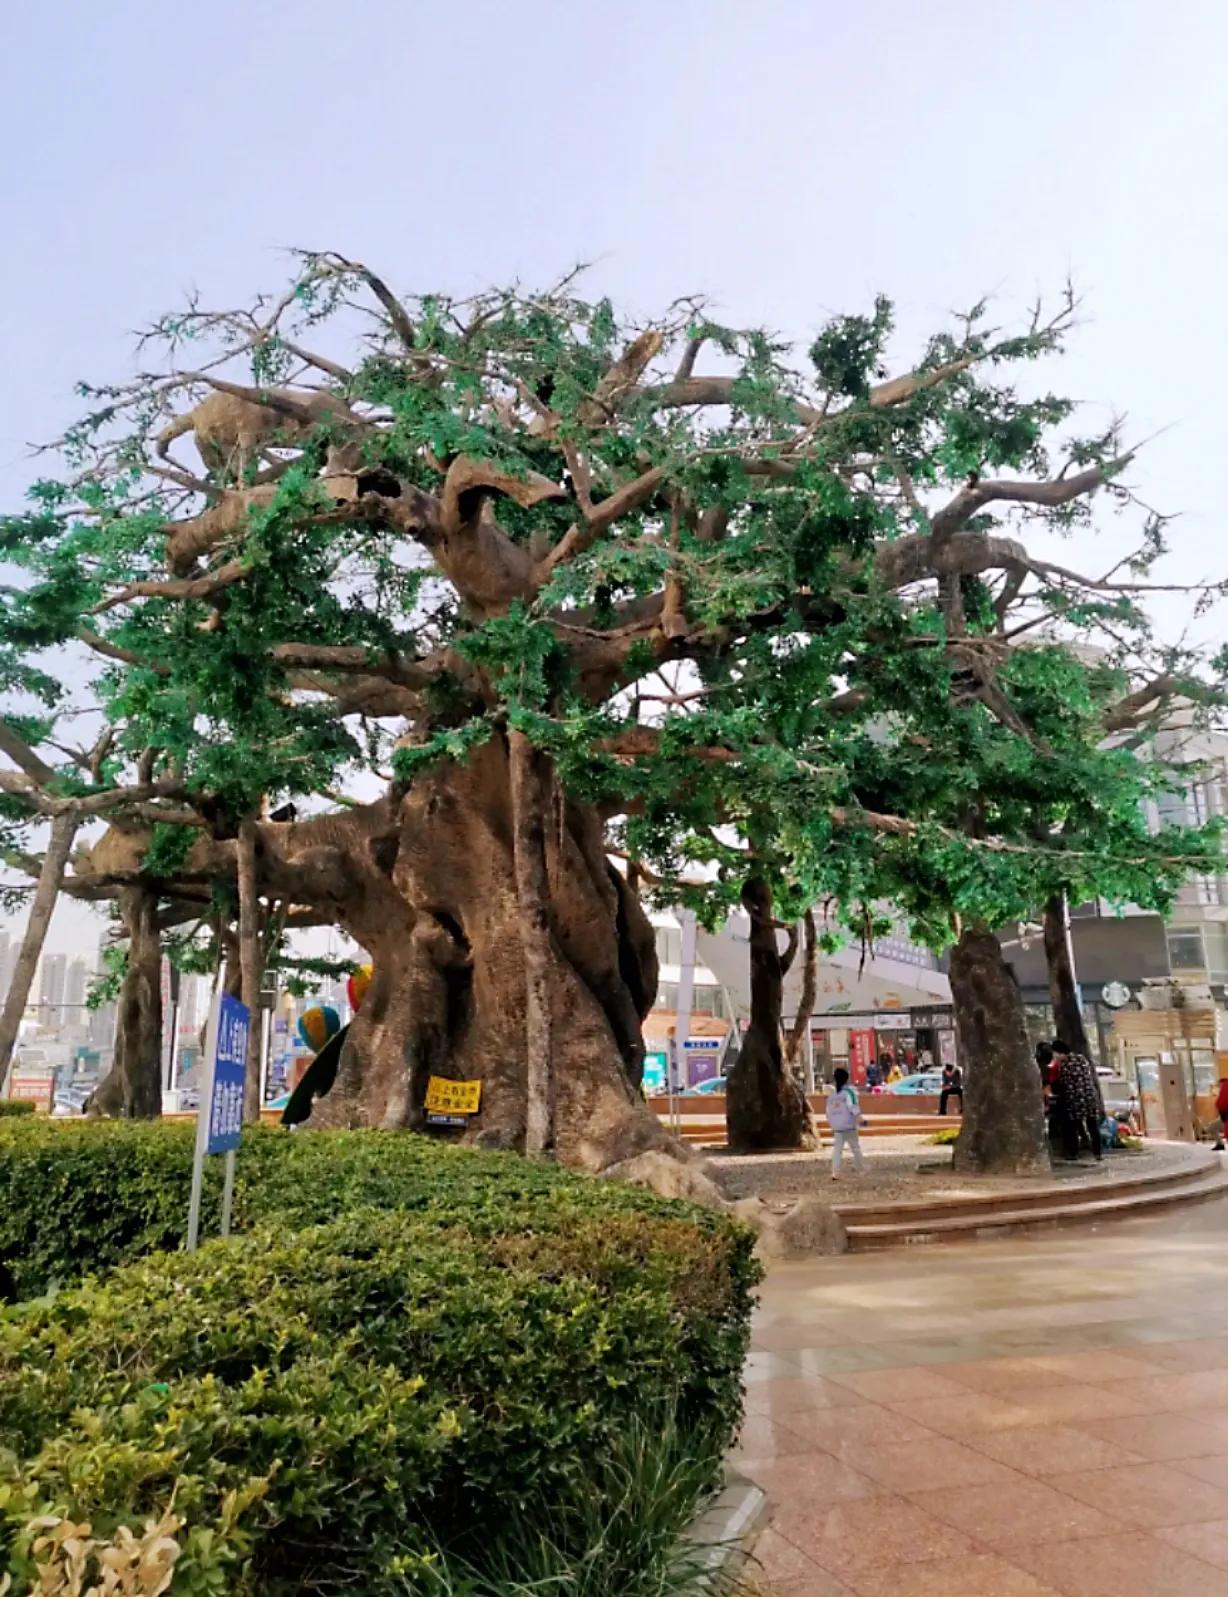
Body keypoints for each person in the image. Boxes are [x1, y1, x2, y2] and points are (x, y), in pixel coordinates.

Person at [1051, 1039, 1103, 1162]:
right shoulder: (1082, 1058)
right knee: (1093, 1126)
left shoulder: (1064, 1064)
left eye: (1055, 1053)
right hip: (1090, 1097)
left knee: (1072, 1127)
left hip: (1075, 1099)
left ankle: (1073, 1153)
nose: (1055, 1056)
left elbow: (1062, 1083)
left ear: (1060, 1052)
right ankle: (1098, 1152)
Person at [825, 1067, 866, 1179]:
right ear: (847, 1079)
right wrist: (860, 1119)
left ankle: (835, 1172)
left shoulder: (831, 1097)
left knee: (837, 1150)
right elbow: (853, 1107)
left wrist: (832, 1125)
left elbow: (828, 1113)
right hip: (848, 1126)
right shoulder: (849, 1093)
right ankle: (861, 1169)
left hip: (837, 1127)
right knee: (855, 1148)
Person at [1214, 1075, 1228, 1152]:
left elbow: (1222, 1103)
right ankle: (1220, 1144)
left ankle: (1220, 1145)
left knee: (1211, 1127)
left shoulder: (1226, 1086)